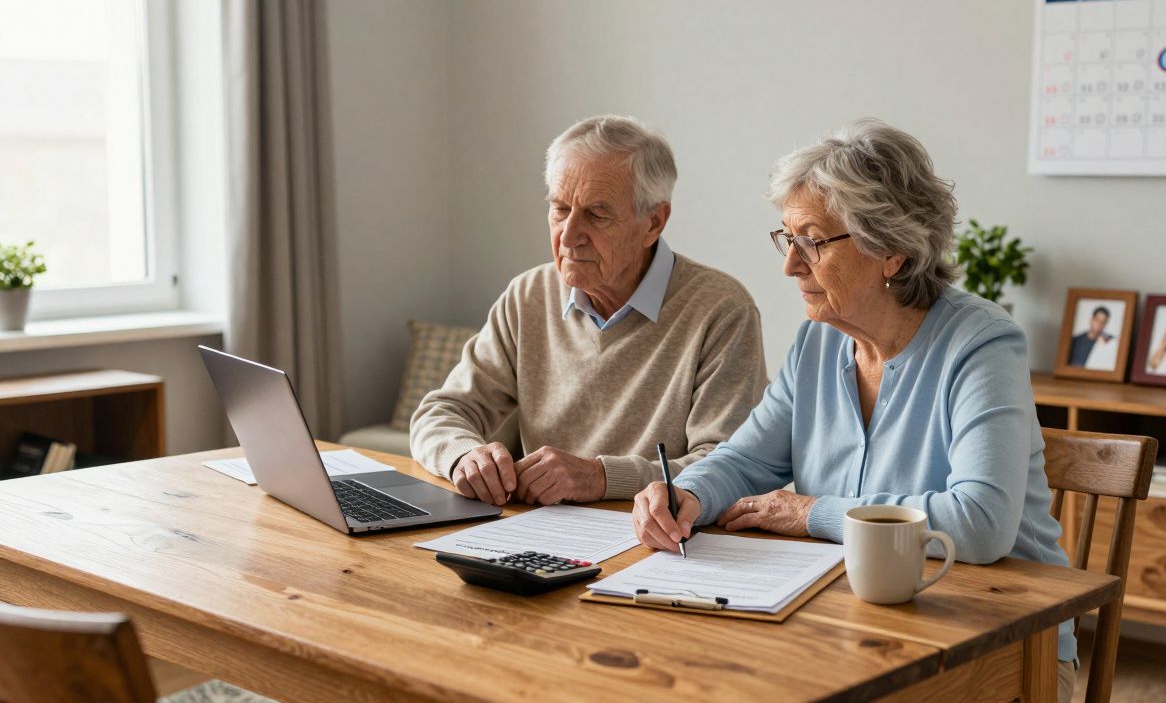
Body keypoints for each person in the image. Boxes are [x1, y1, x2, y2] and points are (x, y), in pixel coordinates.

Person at [629, 118, 1078, 701]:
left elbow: (981, 522)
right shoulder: (820, 340)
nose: (790, 265)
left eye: (811, 241)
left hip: (1003, 645)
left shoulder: (982, 344)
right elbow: (745, 461)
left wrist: (811, 512)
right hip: (853, 628)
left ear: (891, 249)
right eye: (785, 239)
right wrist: (688, 493)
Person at [411, 115, 768, 506]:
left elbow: (728, 468)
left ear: (654, 222)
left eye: (596, 215)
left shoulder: (721, 309)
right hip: (543, 534)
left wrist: (600, 478)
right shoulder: (529, 294)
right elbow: (440, 411)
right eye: (560, 209)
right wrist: (465, 455)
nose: (568, 236)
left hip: (662, 543)